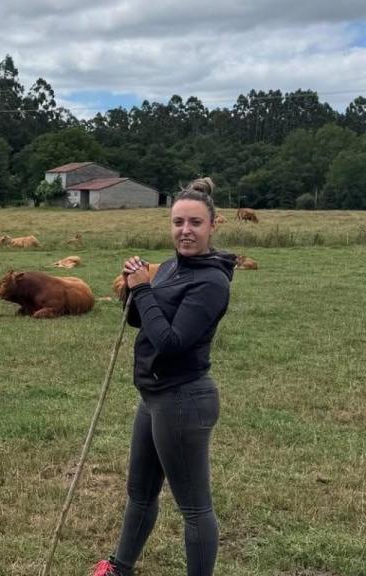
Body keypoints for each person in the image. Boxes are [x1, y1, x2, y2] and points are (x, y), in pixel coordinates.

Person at [92, 177, 236, 576]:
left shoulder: (211, 281)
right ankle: (120, 568)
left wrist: (143, 290)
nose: (185, 231)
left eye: (194, 223)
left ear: (212, 226)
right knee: (139, 492)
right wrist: (130, 290)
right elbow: (146, 322)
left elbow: (171, 342)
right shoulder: (172, 266)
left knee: (194, 508)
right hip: (154, 396)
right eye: (177, 223)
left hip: (184, 400)